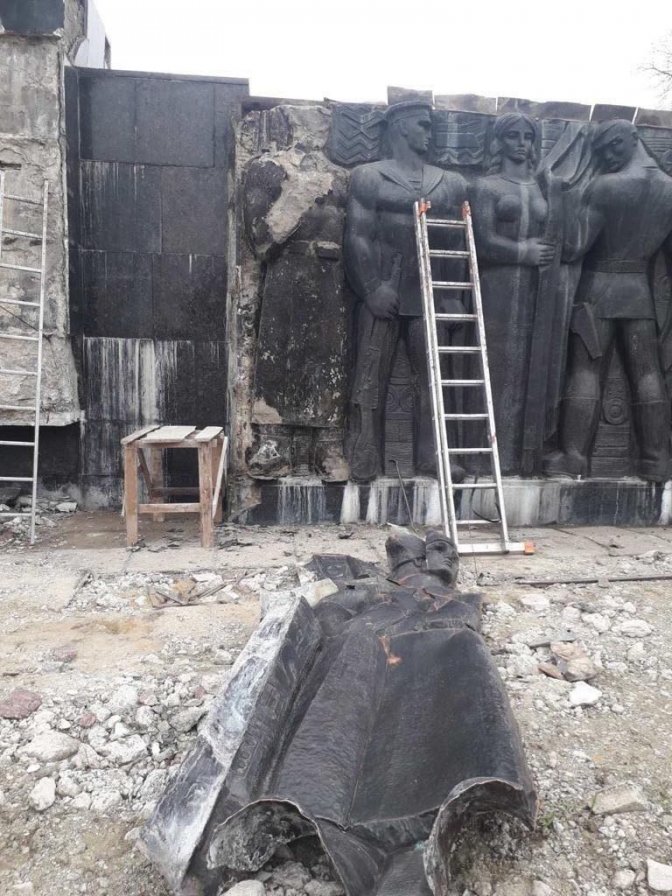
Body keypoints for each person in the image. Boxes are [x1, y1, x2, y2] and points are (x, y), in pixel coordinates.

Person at [344, 101, 468, 482]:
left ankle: (434, 454)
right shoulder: (370, 177)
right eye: (423, 125)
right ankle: (364, 449)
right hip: (385, 291)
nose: (430, 133)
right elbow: (357, 236)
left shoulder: (450, 183)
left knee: (433, 380)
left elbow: (456, 239)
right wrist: (371, 288)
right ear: (400, 127)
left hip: (428, 293)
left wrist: (453, 295)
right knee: (370, 376)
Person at [544, 119, 672, 482]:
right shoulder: (669, 189)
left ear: (634, 137)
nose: (608, 155)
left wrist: (559, 198)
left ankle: (574, 458)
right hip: (639, 292)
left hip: (597, 289)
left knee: (586, 371)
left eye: (614, 145)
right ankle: (655, 459)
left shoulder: (606, 187)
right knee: (647, 372)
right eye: (601, 151)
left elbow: (574, 246)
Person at [470, 113, 565, 475]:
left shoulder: (544, 188)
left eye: (528, 136)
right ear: (499, 141)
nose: (522, 142)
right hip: (498, 284)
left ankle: (523, 455)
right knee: (495, 364)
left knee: (529, 367)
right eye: (513, 135)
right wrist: (523, 252)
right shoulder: (485, 186)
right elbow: (481, 240)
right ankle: (485, 455)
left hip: (537, 290)